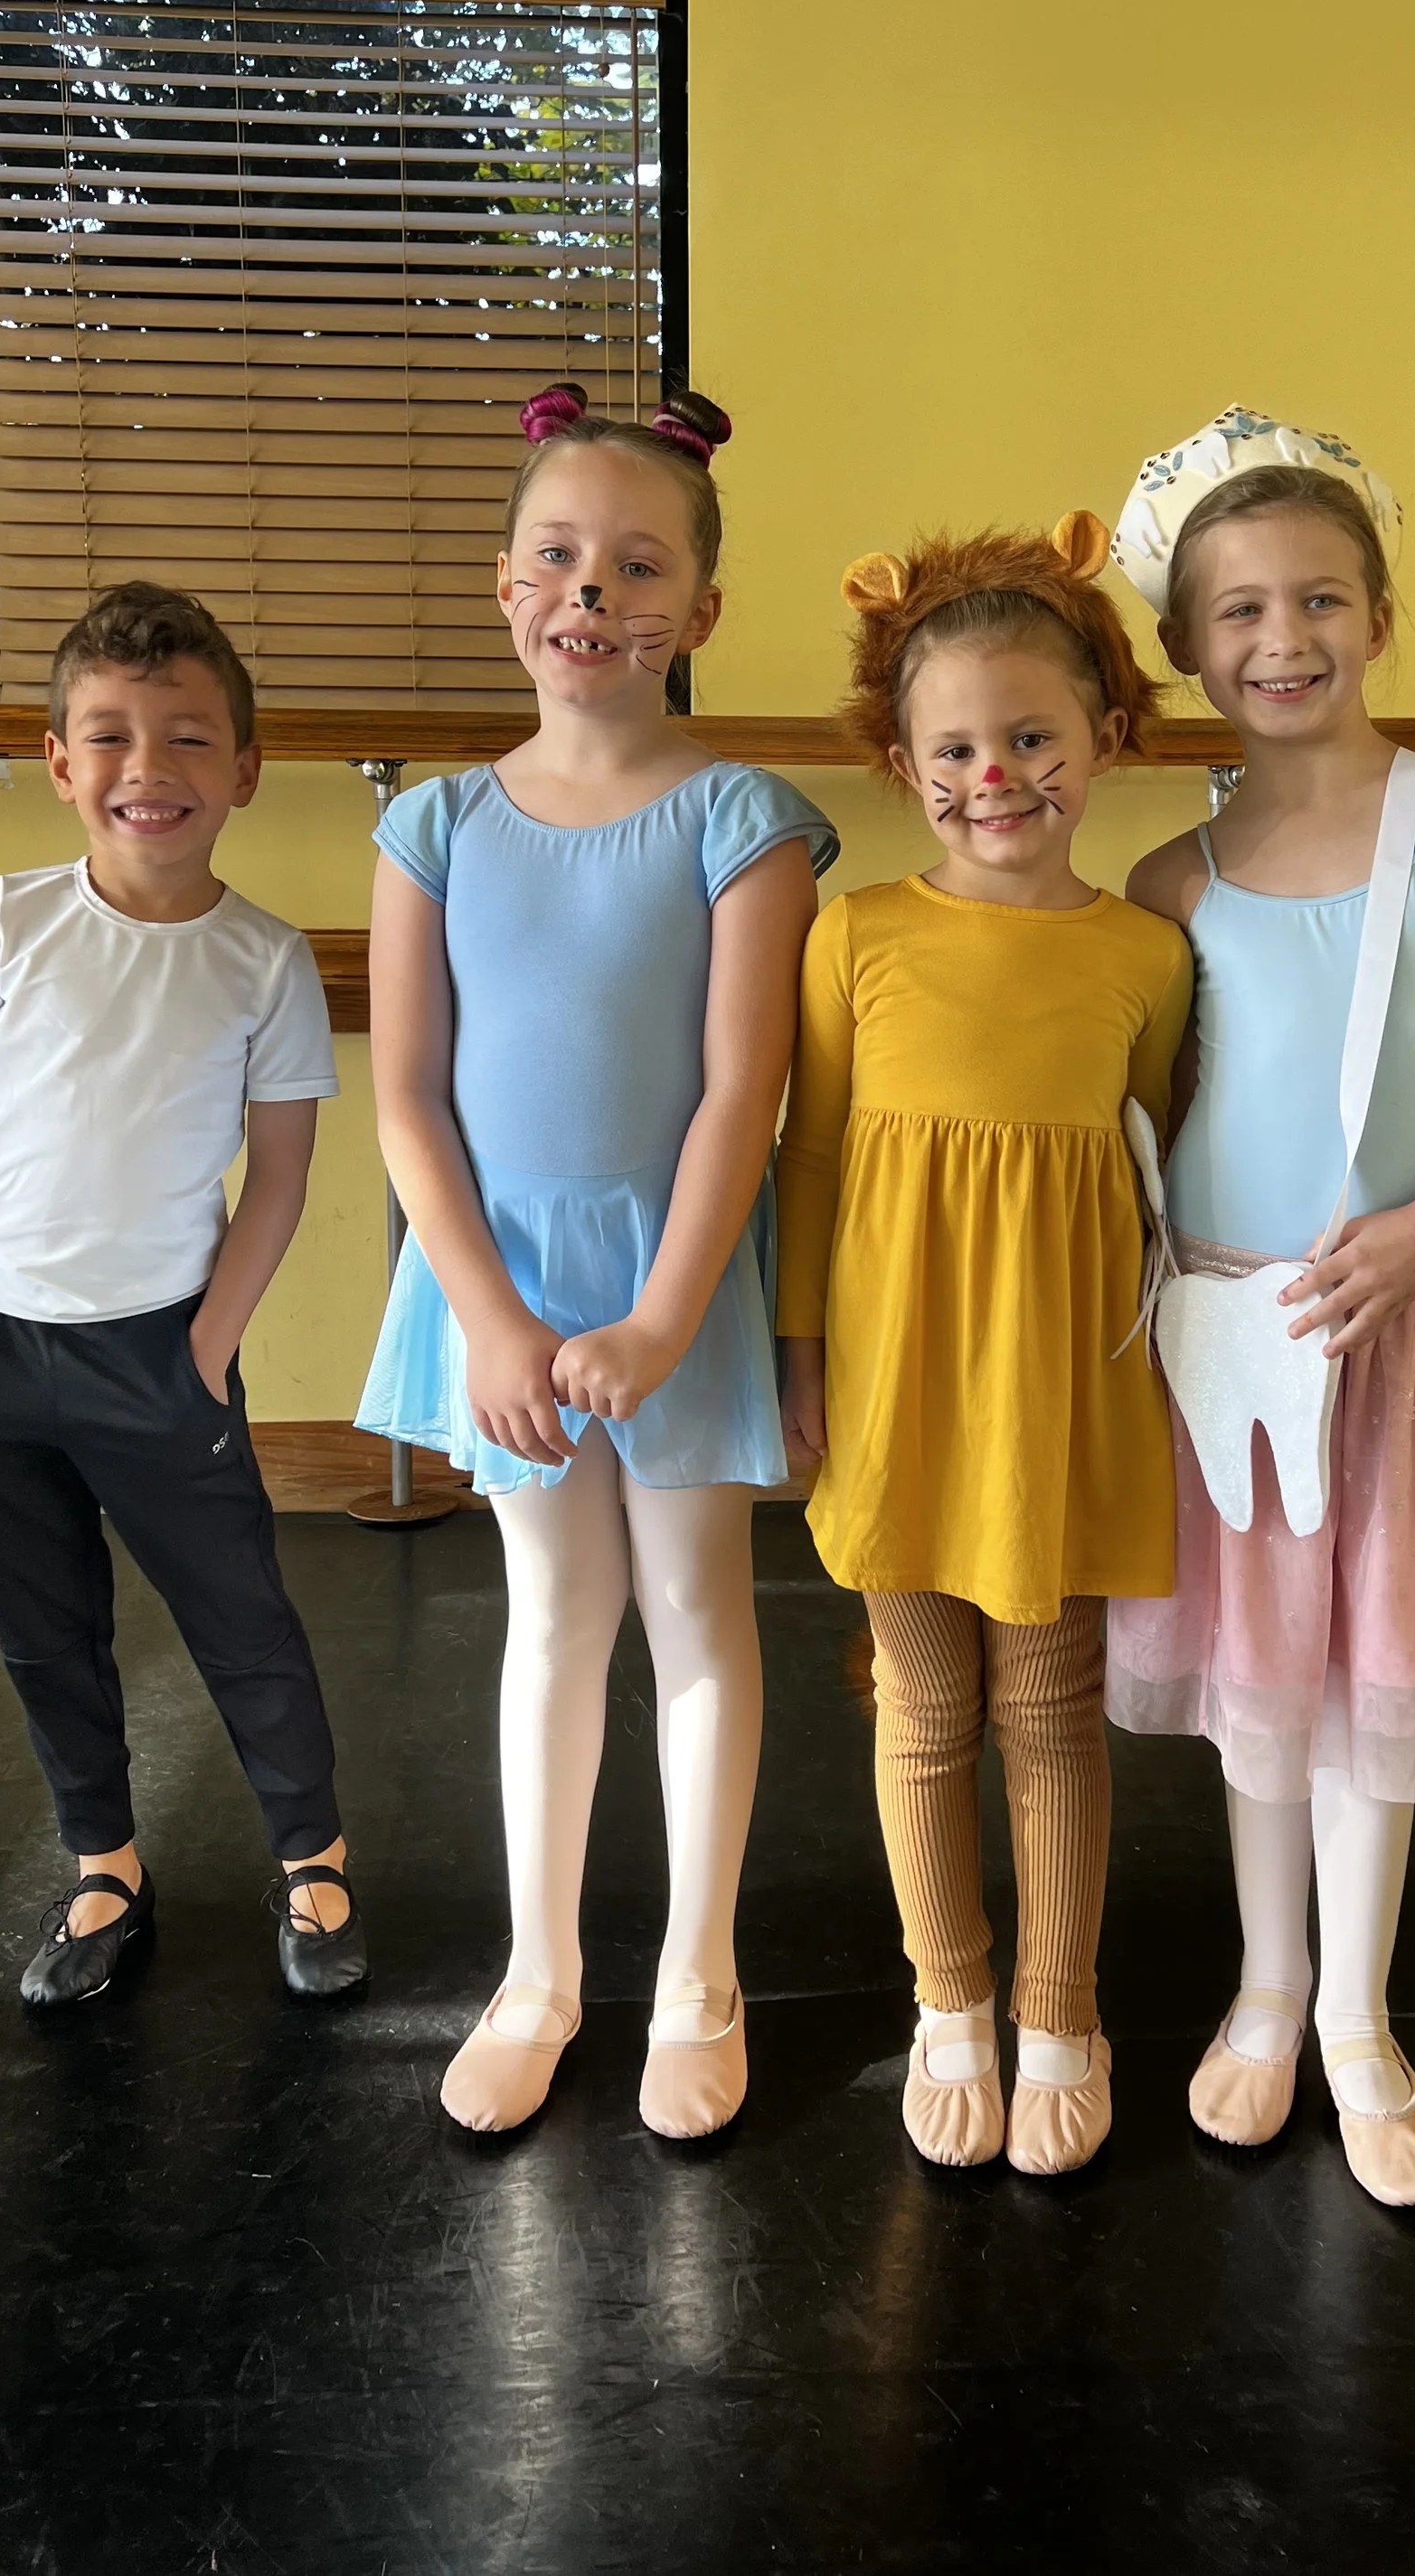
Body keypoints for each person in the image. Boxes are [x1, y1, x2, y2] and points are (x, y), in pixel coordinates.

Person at [1103, 407, 1415, 2205]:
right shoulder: (1171, 879)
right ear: (1179, 646)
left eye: (1317, 599)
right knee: (1259, 1673)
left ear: (1377, 614)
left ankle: (1356, 2023)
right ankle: (1261, 1988)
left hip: (1394, 1327)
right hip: (1231, 1342)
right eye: (1235, 611)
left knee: (1368, 1663)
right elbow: (1151, 1121)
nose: (1279, 639)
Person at [361, 381, 836, 2142]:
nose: (591, 591)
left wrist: (658, 1310)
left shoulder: (745, 818)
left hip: (676, 1268)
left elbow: (740, 1090)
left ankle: (697, 1975)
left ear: (697, 611)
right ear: (507, 586)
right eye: (558, 557)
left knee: (699, 1615)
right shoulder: (434, 827)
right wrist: (486, 1313)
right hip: (492, 1274)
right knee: (553, 1621)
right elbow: (406, 1094)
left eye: (637, 566)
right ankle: (539, 1972)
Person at [777, 516, 1193, 2176]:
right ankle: (949, 2000)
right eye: (955, 746)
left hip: (1066, 1388)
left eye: (1033, 737)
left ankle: (1060, 2004)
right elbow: (810, 1159)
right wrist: (802, 1356)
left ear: (1106, 735)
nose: (997, 775)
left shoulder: (1147, 954)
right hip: (894, 1381)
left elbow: (1156, 1172)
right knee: (924, 1712)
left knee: (1054, 1709)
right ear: (902, 759)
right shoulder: (855, 932)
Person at [0, 583, 363, 2009]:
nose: (146, 771)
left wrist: (209, 1348)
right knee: (49, 1627)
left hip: (159, 1357)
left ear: (245, 772)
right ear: (59, 762)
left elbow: (278, 1172)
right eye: (109, 736)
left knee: (242, 1617)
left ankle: (314, 1857)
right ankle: (104, 1862)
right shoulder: (6, 921)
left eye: (186, 739)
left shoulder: (263, 960)